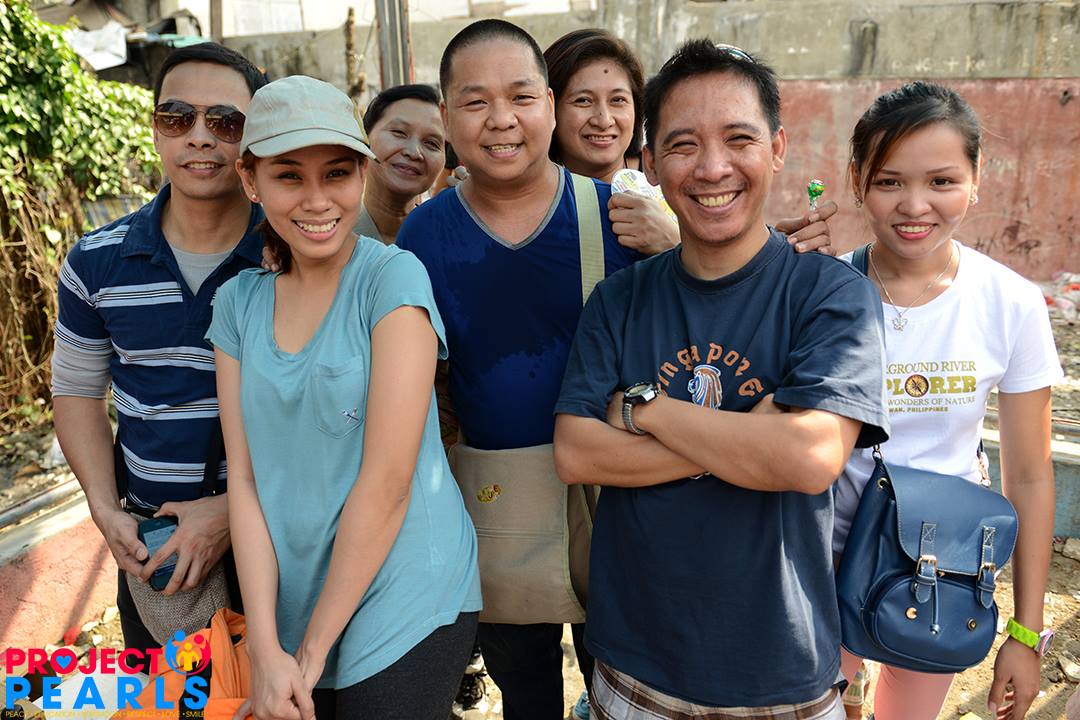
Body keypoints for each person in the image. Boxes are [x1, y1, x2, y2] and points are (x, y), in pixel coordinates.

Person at [552, 39, 889, 719]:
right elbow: (576, 453)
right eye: (683, 144)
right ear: (650, 163)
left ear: (777, 147)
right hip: (635, 665)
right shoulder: (619, 300)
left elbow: (809, 458)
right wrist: (751, 439)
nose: (713, 168)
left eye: (739, 139)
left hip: (781, 671)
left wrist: (644, 409)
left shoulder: (830, 294)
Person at [207, 75, 481, 720]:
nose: (316, 200)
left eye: (336, 173)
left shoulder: (392, 279)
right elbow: (245, 480)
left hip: (405, 586)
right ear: (251, 181)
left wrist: (309, 655)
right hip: (290, 597)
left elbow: (389, 482)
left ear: (362, 173)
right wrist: (266, 646)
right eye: (288, 176)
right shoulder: (237, 305)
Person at [833, 81, 1061, 720]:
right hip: (821, 561)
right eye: (889, 181)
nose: (915, 206)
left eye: (941, 181)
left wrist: (1024, 634)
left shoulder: (1010, 303)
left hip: (941, 573)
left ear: (976, 177)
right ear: (857, 181)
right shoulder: (822, 291)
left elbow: (1030, 475)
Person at [52, 43, 268, 663]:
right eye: (177, 117)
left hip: (284, 540)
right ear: (155, 130)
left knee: (285, 697)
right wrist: (103, 510)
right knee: (173, 699)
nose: (199, 136)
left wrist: (229, 512)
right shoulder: (96, 261)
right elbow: (76, 392)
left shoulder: (291, 255)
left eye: (225, 121)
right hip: (158, 551)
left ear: (255, 136)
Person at [543, 28, 837, 258]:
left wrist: (770, 249)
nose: (604, 119)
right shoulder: (534, 203)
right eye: (583, 101)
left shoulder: (674, 179)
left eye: (618, 100)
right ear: (549, 106)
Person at [356, 83, 446, 244]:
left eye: (431, 143)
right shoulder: (330, 239)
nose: (414, 152)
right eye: (399, 132)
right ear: (365, 138)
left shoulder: (450, 238)